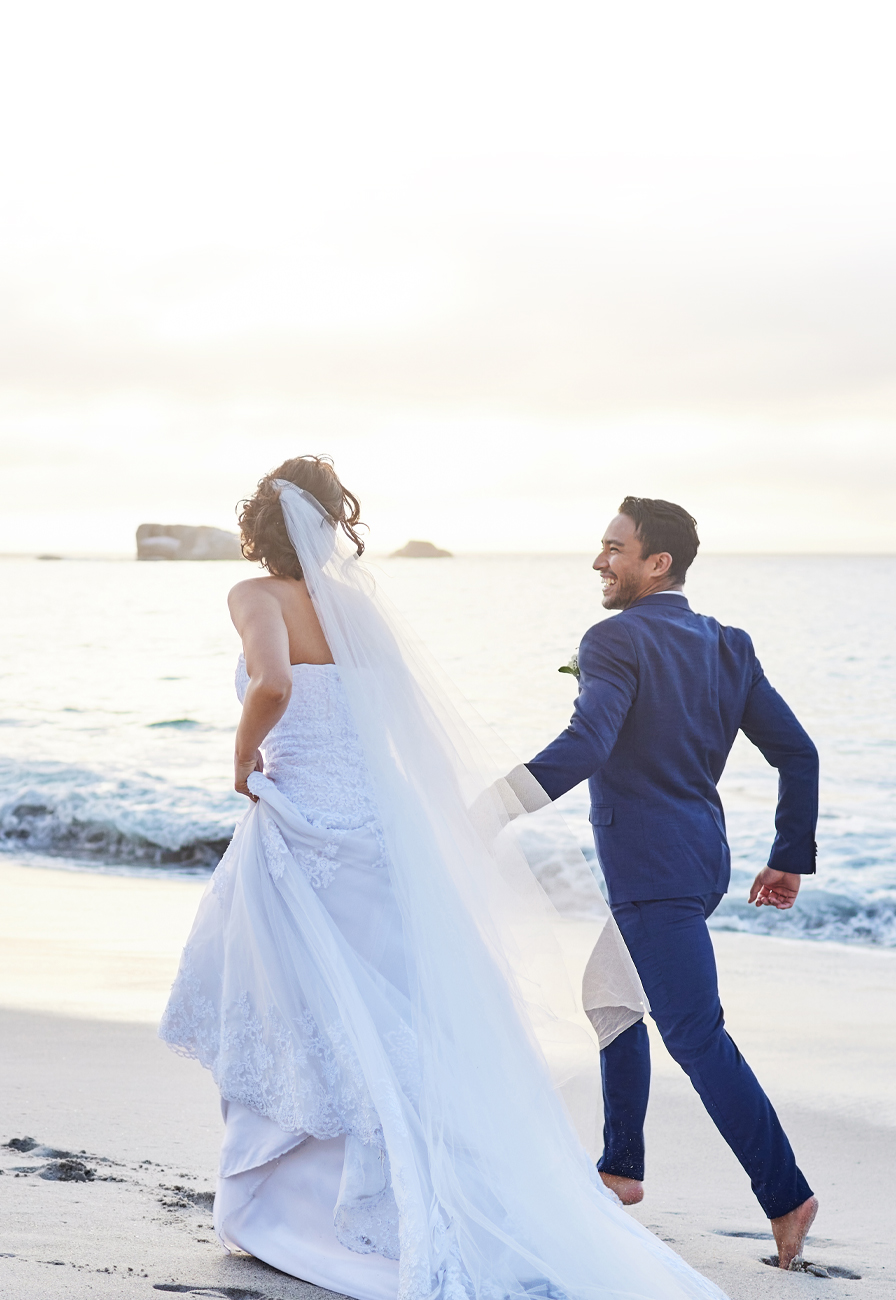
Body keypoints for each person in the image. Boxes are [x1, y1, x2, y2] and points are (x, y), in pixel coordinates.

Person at [160, 458, 728, 1300]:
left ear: (262, 524)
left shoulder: (254, 596)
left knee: (290, 1007)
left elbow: (274, 682)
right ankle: (391, 1191)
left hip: (297, 823)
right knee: (388, 1013)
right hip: (375, 832)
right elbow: (389, 728)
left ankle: (279, 1204)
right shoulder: (358, 613)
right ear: (332, 521)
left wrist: (244, 758)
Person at [521, 496, 820, 1270]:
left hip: (652, 873)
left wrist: (489, 806)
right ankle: (621, 1170)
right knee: (611, 996)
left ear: (659, 564)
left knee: (694, 1034)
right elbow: (799, 754)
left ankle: (786, 1195)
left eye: (614, 548)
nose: (599, 561)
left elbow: (586, 744)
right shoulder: (727, 644)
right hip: (701, 860)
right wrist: (787, 853)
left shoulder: (613, 638)